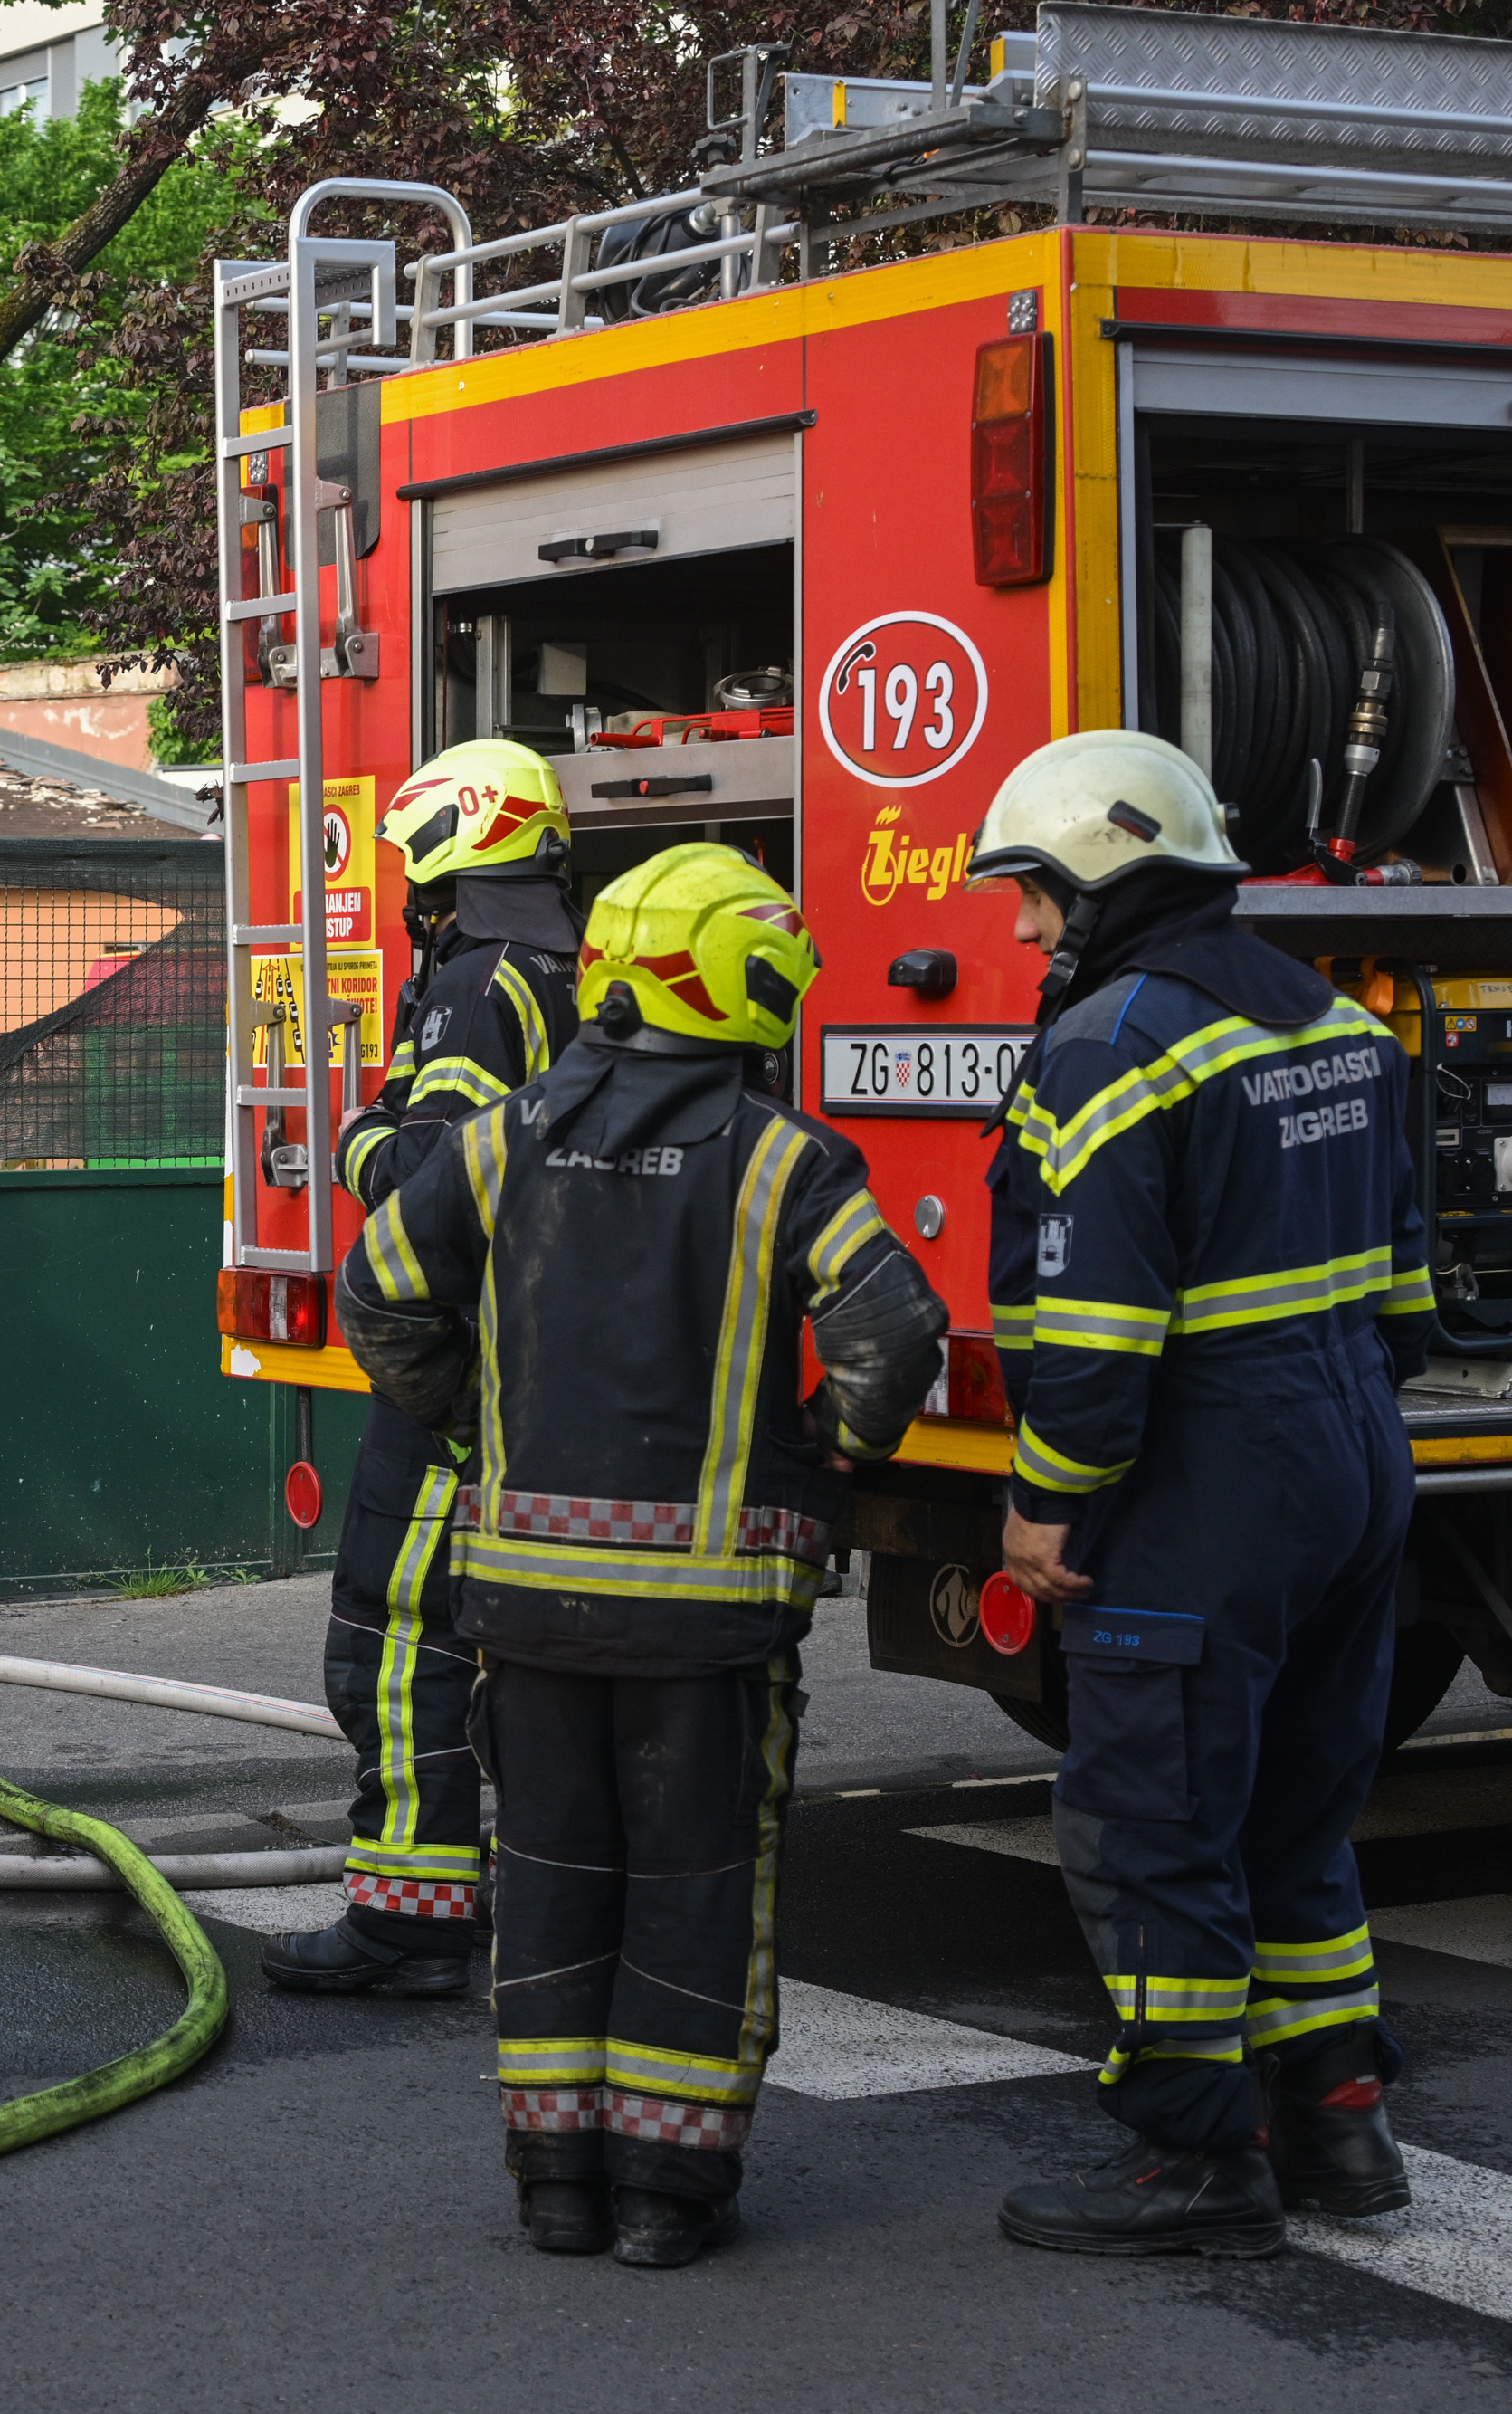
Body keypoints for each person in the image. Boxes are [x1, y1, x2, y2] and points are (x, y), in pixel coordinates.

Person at [338, 844, 943, 2267]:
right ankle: (666, 2194)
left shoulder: (504, 1137)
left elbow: (380, 1292)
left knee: (546, 1877)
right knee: (694, 1888)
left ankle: (556, 2181)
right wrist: (829, 1449)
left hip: (529, 1606)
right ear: (746, 984)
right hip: (710, 1628)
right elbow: (894, 1328)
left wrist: (473, 1425)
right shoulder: (784, 1154)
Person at [970, 730, 1429, 2257]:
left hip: (1197, 1471)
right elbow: (1413, 1297)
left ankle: (1198, 2156)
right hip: (1354, 1445)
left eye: (1035, 894)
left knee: (1155, 1816)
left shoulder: (1115, 1042)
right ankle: (1340, 2123)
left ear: (1107, 876)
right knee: (1300, 1813)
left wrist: (1042, 1501)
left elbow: (1093, 1333)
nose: (1025, 929)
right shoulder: (1340, 1023)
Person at [268, 739, 585, 2001]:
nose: (406, 885)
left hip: (458, 1366)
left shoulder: (474, 982)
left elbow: (431, 1184)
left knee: (397, 1638)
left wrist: (351, 1138)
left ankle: (407, 1916)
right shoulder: (572, 966)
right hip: (548, 1359)